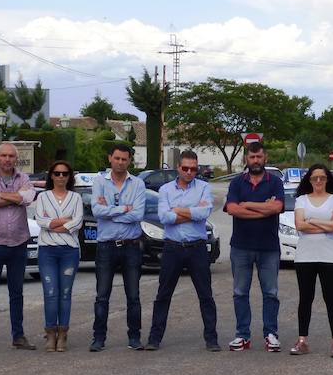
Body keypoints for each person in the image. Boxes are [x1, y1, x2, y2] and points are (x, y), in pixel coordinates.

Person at [145, 150, 220, 351]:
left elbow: (204, 212)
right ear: (178, 167)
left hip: (197, 248)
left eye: (193, 169)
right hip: (172, 248)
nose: (189, 172)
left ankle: (211, 339)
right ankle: (154, 338)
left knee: (206, 295)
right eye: (185, 168)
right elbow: (164, 217)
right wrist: (192, 213)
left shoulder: (204, 187)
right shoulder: (166, 190)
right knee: (163, 295)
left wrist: (178, 210)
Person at [224, 141, 285, 351]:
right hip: (241, 246)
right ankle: (242, 335)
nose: (256, 160)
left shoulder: (275, 182)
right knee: (240, 292)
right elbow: (232, 209)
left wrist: (248, 204)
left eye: (259, 157)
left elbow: (277, 207)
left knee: (270, 292)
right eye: (252, 157)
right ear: (246, 159)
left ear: (265, 157)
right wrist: (263, 210)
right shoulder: (237, 183)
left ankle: (271, 334)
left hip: (269, 247)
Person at [0, 143, 37, 353]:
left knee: (17, 293)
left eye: (11, 156)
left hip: (18, 244)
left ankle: (18, 336)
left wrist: (0, 196)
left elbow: (28, 198)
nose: (8, 159)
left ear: (16, 159)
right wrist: (15, 197)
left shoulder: (24, 178)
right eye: (4, 155)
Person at [90, 144, 146, 352]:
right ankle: (98, 338)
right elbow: (97, 211)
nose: (120, 162)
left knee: (133, 295)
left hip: (131, 246)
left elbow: (138, 215)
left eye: (124, 159)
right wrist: (124, 208)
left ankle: (134, 337)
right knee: (102, 295)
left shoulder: (138, 184)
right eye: (117, 158)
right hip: (106, 247)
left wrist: (110, 211)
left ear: (129, 160)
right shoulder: (99, 182)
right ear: (110, 158)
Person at [288, 163, 333, 357]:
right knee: (306, 298)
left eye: (322, 177)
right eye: (314, 178)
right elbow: (299, 225)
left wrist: (312, 221)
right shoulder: (301, 200)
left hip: (329, 255)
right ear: (309, 180)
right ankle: (302, 340)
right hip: (305, 255)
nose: (318, 181)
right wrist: (326, 224)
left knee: (331, 298)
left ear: (327, 179)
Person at [34, 161, 84, 352]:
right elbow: (40, 221)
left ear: (70, 176)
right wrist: (65, 222)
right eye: (57, 173)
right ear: (51, 176)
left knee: (65, 293)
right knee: (50, 293)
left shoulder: (76, 198)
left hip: (69, 251)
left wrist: (55, 225)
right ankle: (50, 332)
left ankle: (63, 333)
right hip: (47, 250)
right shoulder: (43, 197)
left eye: (65, 174)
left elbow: (77, 222)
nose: (61, 177)